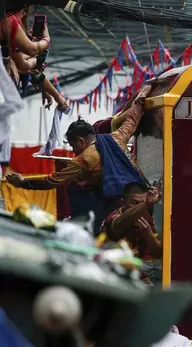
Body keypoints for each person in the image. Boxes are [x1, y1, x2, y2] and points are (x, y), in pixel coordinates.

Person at [7, 85, 152, 232]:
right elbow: (133, 118)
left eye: (73, 145)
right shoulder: (118, 137)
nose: (73, 150)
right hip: (146, 200)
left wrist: (23, 182)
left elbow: (52, 181)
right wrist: (143, 95)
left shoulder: (85, 160)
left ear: (80, 141)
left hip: (118, 211)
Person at [101, 182, 162, 283]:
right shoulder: (113, 218)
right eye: (134, 203)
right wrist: (146, 204)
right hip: (117, 271)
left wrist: (149, 235)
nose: (139, 207)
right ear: (123, 202)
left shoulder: (145, 216)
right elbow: (121, 221)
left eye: (142, 202)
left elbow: (156, 253)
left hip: (145, 268)